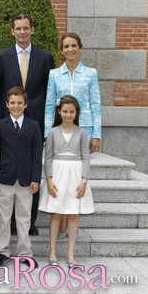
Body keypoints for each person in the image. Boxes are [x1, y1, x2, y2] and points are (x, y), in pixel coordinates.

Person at [0, 13, 55, 236]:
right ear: (12, 31)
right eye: (18, 28)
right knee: (10, 167)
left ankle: (30, 221)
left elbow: (49, 92)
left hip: (35, 121)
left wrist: (47, 124)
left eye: (25, 28)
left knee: (31, 167)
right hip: (9, 123)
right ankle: (9, 221)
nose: (22, 32)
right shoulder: (1, 57)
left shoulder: (45, 56)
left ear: (32, 30)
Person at [44, 32, 101, 239]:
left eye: (74, 45)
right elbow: (50, 105)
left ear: (80, 48)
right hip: (60, 131)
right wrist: (46, 133)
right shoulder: (54, 74)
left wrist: (97, 134)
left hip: (82, 130)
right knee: (62, 177)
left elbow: (96, 104)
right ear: (62, 50)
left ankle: (69, 223)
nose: (70, 49)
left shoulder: (90, 73)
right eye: (66, 46)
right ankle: (61, 226)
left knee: (76, 176)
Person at [0, 86, 42, 270]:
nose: (16, 106)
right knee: (3, 218)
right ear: (7, 104)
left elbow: (37, 155)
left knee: (24, 218)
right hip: (5, 177)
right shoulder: (0, 125)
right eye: (12, 102)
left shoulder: (33, 126)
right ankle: (1, 252)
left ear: (25, 105)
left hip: (26, 180)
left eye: (19, 102)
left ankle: (25, 253)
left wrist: (36, 179)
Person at [39, 95, 94, 267]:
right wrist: (49, 180)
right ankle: (52, 252)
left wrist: (84, 181)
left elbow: (86, 158)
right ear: (59, 112)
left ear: (76, 113)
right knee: (56, 214)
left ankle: (71, 254)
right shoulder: (52, 132)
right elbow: (47, 158)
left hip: (76, 176)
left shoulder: (82, 132)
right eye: (65, 111)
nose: (68, 114)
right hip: (58, 175)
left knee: (73, 214)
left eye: (71, 111)